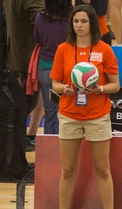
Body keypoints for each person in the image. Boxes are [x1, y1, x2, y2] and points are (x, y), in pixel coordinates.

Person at [49, 4, 121, 209]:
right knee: (68, 170)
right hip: (69, 115)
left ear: (92, 24)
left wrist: (99, 88)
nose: (79, 25)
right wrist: (65, 88)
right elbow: (55, 84)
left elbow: (115, 85)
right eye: (76, 21)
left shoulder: (105, 50)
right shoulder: (63, 50)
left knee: (103, 169)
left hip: (98, 115)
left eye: (83, 21)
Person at [34, 0, 73, 136]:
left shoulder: (40, 17)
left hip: (44, 69)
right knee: (68, 113)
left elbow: (37, 39)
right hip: (66, 71)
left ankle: (51, 150)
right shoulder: (71, 19)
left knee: (50, 112)